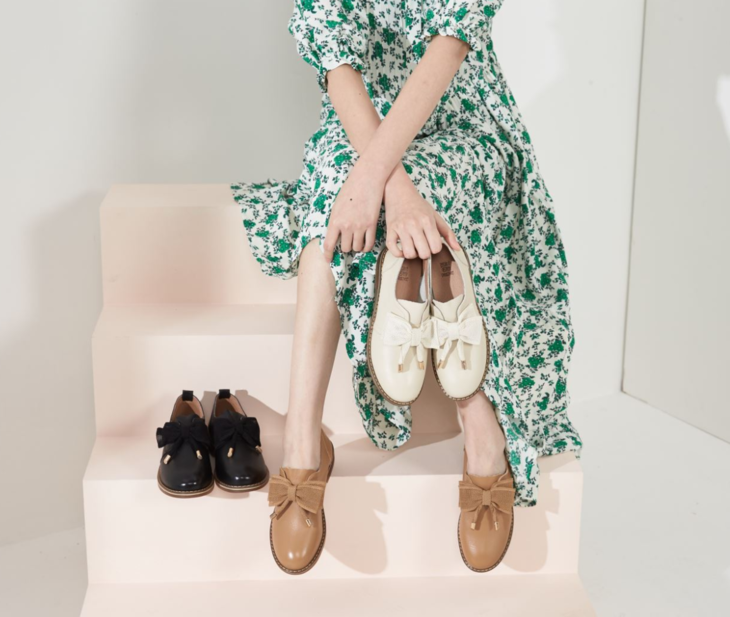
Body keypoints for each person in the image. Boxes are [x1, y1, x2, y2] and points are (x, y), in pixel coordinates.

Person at [232, 0, 583, 575]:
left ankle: (482, 430)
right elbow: (336, 63)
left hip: (463, 119)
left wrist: (381, 180)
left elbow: (450, 46)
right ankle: (302, 442)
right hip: (359, 123)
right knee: (333, 185)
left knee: (428, 187)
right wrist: (387, 186)